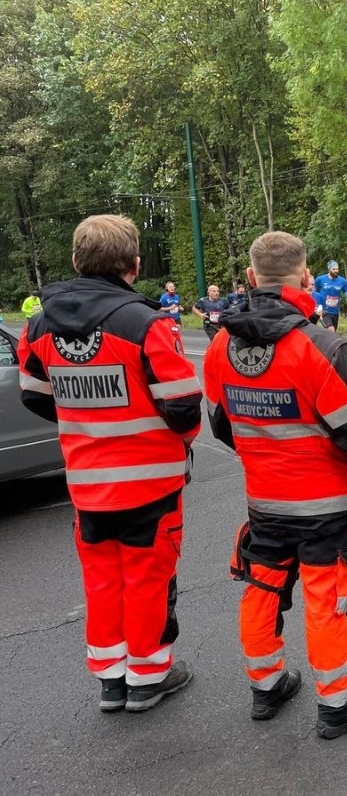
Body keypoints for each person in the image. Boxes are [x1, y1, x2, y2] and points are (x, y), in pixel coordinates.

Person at [203, 230, 347, 739]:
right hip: (327, 505)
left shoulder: (221, 344)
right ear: (307, 277)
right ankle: (338, 703)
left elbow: (221, 424)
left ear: (250, 278)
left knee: (261, 588)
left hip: (265, 500)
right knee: (325, 600)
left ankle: (266, 686)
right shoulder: (320, 346)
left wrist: (265, 455)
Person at [17, 214, 202, 713]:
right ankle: (148, 677)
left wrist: (83, 418)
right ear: (134, 266)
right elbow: (183, 404)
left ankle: (111, 678)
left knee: (101, 579)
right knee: (148, 577)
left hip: (85, 480)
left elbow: (33, 394)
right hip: (150, 480)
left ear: (76, 261)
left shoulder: (40, 325)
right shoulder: (145, 323)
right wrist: (174, 438)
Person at [314, 260, 347, 332]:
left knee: (333, 332)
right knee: (330, 330)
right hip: (324, 310)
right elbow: (314, 292)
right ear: (329, 269)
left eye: (337, 269)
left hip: (335, 311)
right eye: (334, 269)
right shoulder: (320, 279)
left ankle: (322, 342)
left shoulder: (342, 281)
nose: (336, 271)